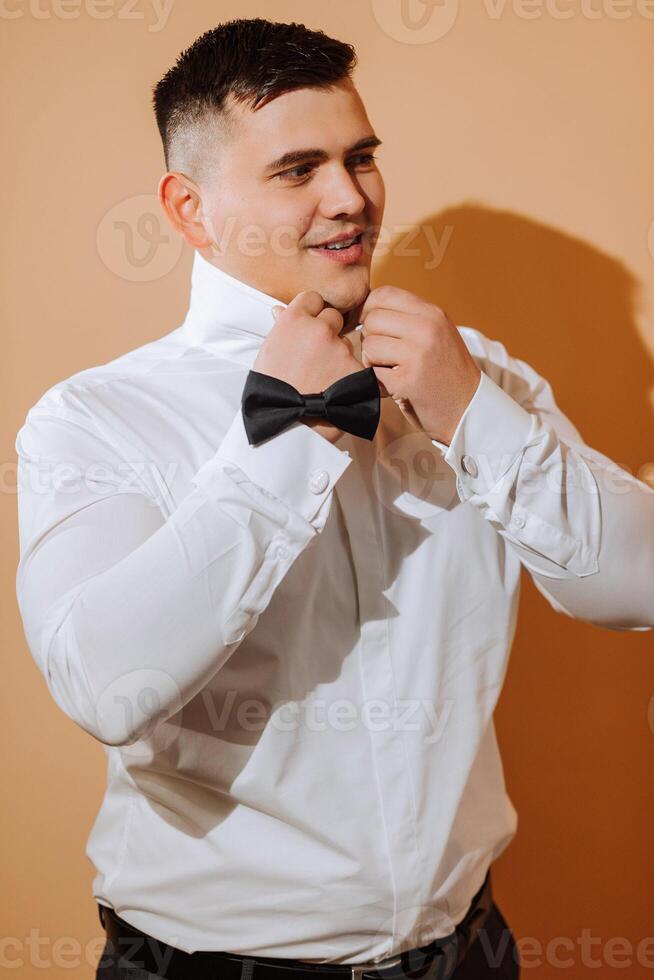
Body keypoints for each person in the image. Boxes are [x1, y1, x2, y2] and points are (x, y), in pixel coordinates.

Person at [14, 17, 653, 980]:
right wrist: (282, 446)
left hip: (470, 951)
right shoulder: (95, 419)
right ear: (188, 211)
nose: (349, 198)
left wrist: (477, 418)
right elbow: (104, 686)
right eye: (297, 169)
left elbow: (637, 585)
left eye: (361, 158)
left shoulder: (478, 375)